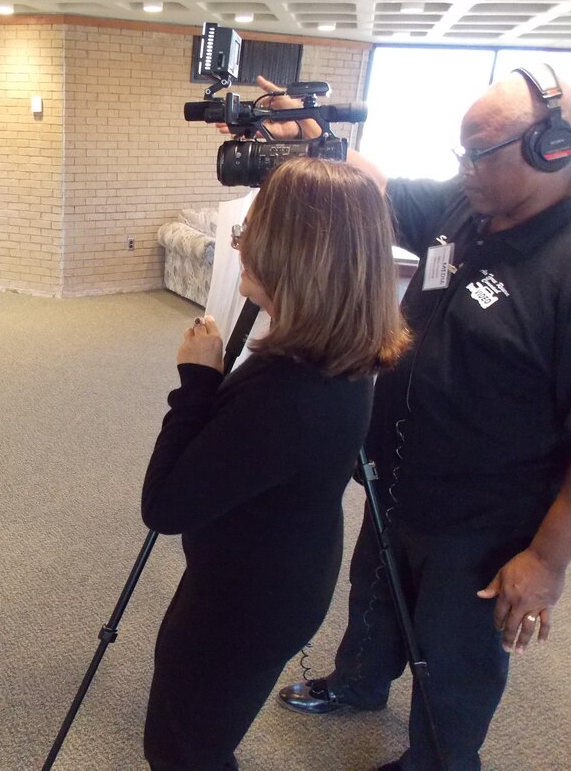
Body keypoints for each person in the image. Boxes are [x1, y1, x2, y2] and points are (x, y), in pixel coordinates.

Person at [244, 66, 571, 771]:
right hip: (398, 473)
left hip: (487, 518)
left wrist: (547, 563)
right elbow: (378, 190)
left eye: (478, 154)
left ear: (550, 148)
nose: (463, 170)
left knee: (457, 652)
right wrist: (313, 133)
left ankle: (438, 760)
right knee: (373, 591)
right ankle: (360, 683)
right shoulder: (473, 205)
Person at [140, 157, 410, 770]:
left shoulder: (287, 391)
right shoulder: (340, 351)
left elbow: (164, 506)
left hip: (244, 600)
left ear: (291, 255)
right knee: (198, 737)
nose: (241, 244)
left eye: (250, 232)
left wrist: (196, 381)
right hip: (275, 575)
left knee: (183, 750)